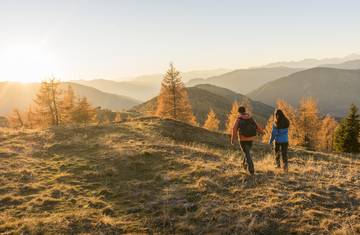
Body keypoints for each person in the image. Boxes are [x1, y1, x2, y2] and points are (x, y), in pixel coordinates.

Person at [231, 106, 264, 175]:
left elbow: (234, 129)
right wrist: (262, 132)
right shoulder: (250, 118)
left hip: (243, 139)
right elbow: (257, 126)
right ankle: (244, 164)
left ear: (239, 112)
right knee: (247, 152)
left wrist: (233, 139)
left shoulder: (239, 119)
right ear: (245, 111)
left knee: (247, 154)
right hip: (251, 139)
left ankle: (251, 170)